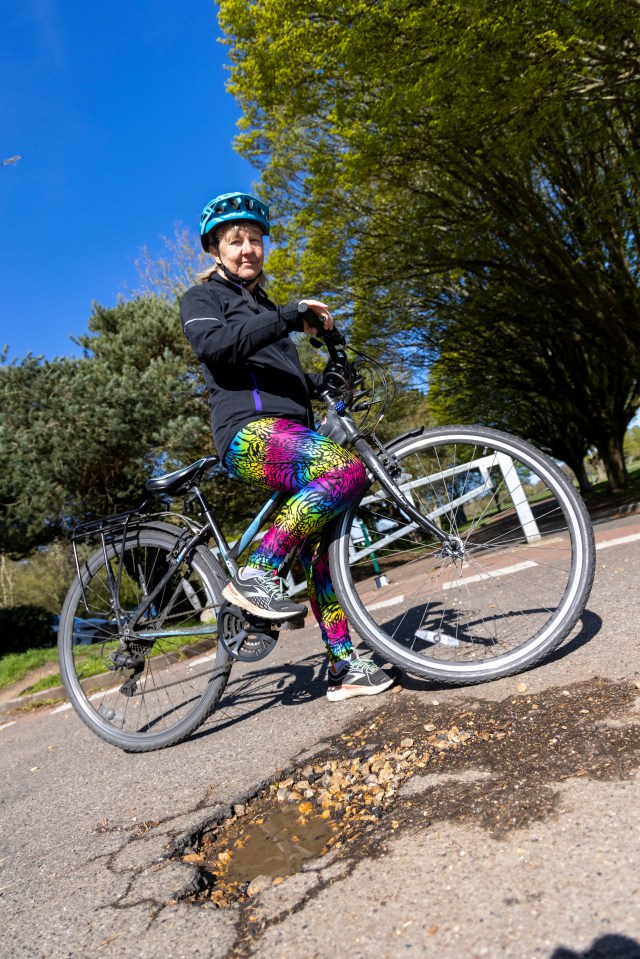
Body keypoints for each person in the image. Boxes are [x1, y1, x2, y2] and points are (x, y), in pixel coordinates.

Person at [180, 190, 395, 701]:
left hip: (290, 433)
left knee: (319, 548)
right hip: (246, 434)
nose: (248, 248)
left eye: (256, 239)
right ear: (215, 249)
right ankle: (257, 572)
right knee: (344, 472)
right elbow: (218, 348)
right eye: (236, 241)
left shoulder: (266, 310)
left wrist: (326, 379)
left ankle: (344, 666)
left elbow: (281, 377)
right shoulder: (202, 299)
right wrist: (286, 317)